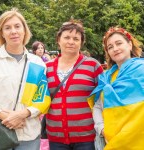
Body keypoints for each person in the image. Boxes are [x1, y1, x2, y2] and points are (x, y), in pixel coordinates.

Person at [0, 8, 51, 150]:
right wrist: (1, 115)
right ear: (1, 33)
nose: (13, 31)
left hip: (29, 136)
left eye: (17, 26)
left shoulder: (37, 63)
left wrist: (22, 114)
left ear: (24, 30)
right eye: (7, 28)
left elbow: (43, 98)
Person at [45, 19, 103, 150]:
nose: (71, 42)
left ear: (81, 43)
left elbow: (103, 99)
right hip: (56, 137)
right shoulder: (46, 68)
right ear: (58, 40)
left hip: (86, 137)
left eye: (76, 39)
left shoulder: (93, 66)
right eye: (66, 37)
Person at [91, 27, 144, 150]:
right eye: (110, 47)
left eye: (119, 43)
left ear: (130, 44)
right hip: (112, 141)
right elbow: (98, 106)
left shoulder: (141, 70)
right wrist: (102, 129)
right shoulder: (106, 77)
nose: (115, 49)